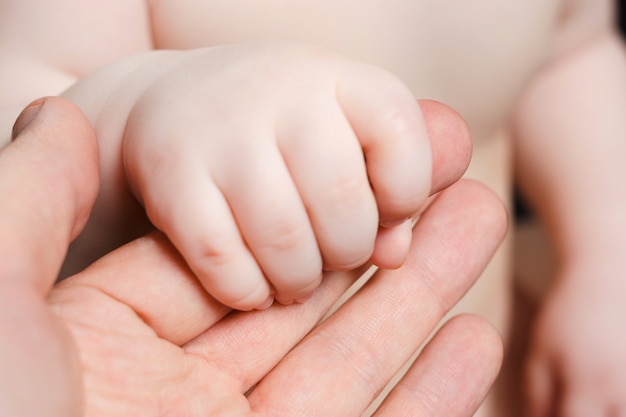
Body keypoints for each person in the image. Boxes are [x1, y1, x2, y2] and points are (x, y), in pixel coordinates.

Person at [2, 0, 626, 415]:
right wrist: (138, 114)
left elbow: (570, 55)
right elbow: (31, 123)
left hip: (477, 377)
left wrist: (604, 253)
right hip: (180, 390)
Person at [0, 96, 505, 416]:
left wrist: (586, 245)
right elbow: (41, 83)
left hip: (461, 325)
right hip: (204, 361)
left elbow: (563, 52)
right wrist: (151, 107)